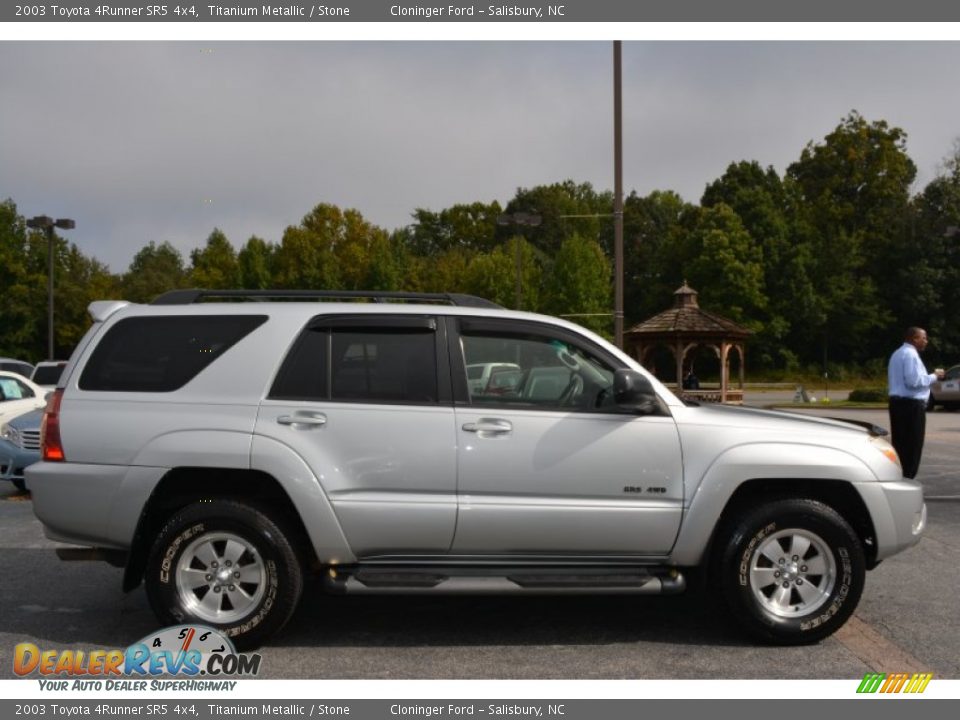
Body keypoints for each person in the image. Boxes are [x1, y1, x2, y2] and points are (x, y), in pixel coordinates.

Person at [887, 327, 944, 479]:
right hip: (911, 406)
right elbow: (914, 381)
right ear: (913, 338)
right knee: (912, 447)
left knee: (900, 445)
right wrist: (934, 376)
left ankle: (899, 477)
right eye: (923, 338)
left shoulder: (897, 353)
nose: (926, 341)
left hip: (897, 404)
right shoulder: (911, 355)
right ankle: (908, 480)